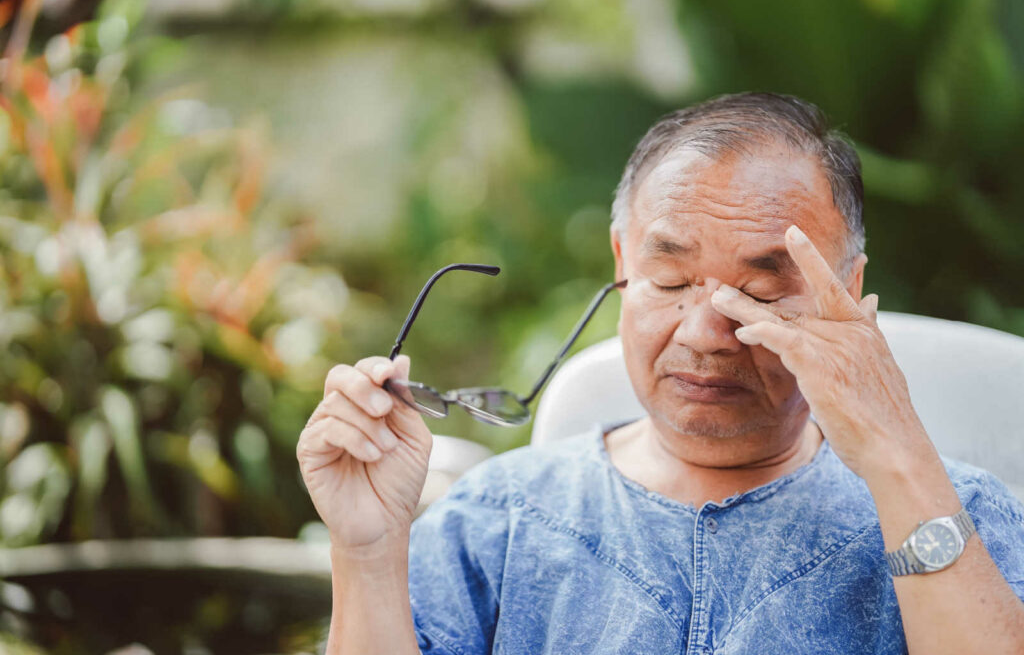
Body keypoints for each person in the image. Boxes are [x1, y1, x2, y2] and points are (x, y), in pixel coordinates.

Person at [296, 92, 1024, 654]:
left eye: (761, 294)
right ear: (622, 266)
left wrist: (900, 461)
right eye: (671, 282)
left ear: (851, 291)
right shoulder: (499, 523)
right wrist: (366, 551)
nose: (706, 332)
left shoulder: (963, 515)